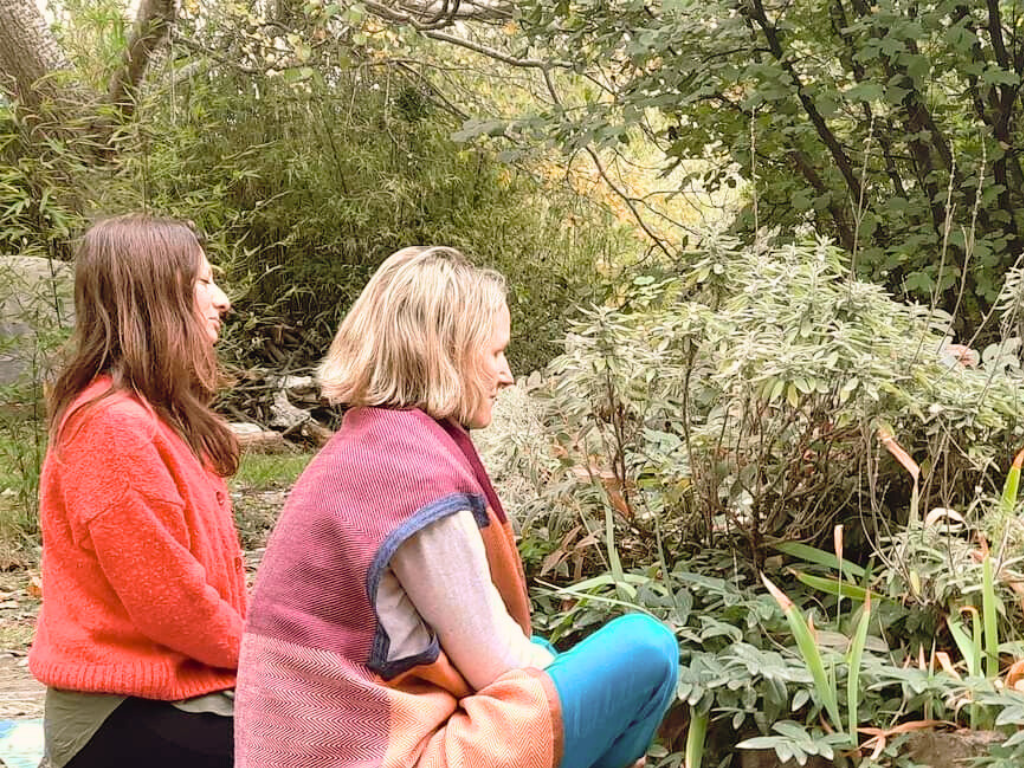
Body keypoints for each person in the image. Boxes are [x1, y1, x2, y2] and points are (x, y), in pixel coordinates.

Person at [235, 246, 679, 768]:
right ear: (448, 352)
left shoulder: (368, 446)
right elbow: (497, 664)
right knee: (648, 648)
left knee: (567, 663)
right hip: (381, 754)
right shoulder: (408, 472)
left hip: (328, 745)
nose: (507, 375)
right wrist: (593, 698)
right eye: (496, 353)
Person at [28, 213, 246, 768]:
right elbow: (173, 606)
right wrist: (274, 660)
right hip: (121, 709)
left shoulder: (159, 416)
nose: (222, 300)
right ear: (156, 297)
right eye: (203, 282)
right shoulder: (113, 429)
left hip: (183, 688)